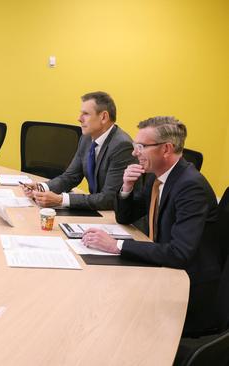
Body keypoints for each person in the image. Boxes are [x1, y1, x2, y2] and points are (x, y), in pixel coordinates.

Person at [82, 116, 220, 333]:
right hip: (164, 268)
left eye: (141, 147)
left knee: (114, 319)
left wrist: (115, 246)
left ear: (166, 149)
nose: (134, 152)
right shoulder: (157, 177)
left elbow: (179, 253)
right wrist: (126, 187)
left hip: (187, 288)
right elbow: (125, 218)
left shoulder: (190, 187)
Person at [23, 91, 136, 210]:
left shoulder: (122, 146)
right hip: (98, 210)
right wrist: (41, 187)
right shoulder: (86, 138)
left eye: (86, 114)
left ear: (103, 117)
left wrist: (61, 199)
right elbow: (71, 177)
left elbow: (109, 199)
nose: (79, 119)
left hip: (115, 216)